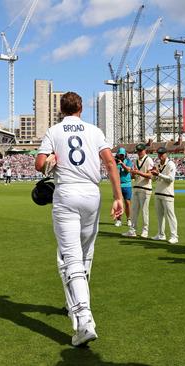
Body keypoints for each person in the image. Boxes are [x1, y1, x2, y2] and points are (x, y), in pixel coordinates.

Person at [34, 91, 123, 347]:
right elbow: (110, 163)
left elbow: (40, 165)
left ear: (61, 109)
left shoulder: (54, 130)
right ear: (81, 108)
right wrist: (117, 197)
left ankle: (84, 319)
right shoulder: (94, 130)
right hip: (91, 194)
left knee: (69, 257)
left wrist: (50, 159)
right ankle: (75, 302)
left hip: (67, 192)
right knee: (85, 253)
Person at [122, 143, 153, 238]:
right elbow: (133, 176)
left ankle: (145, 231)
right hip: (136, 187)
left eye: (140, 151)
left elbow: (150, 175)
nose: (139, 153)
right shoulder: (135, 161)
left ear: (144, 150)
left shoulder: (149, 160)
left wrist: (138, 172)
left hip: (145, 188)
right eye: (138, 151)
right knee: (134, 210)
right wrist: (132, 173)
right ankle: (132, 230)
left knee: (144, 211)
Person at [149, 146, 178, 244]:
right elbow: (153, 180)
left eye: (162, 154)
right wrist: (153, 174)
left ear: (166, 154)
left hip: (167, 194)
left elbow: (170, 179)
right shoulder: (157, 164)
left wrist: (159, 174)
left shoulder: (171, 164)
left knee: (170, 215)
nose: (160, 156)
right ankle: (161, 234)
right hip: (158, 192)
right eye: (159, 154)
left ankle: (174, 236)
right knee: (159, 215)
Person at [113, 147, 132, 227]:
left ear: (125, 155)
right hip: (118, 185)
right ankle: (118, 220)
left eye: (122, 155)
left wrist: (122, 164)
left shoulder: (128, 161)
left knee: (127, 203)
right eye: (120, 155)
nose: (121, 156)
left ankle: (129, 219)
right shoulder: (114, 162)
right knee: (118, 203)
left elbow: (128, 170)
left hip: (127, 185)